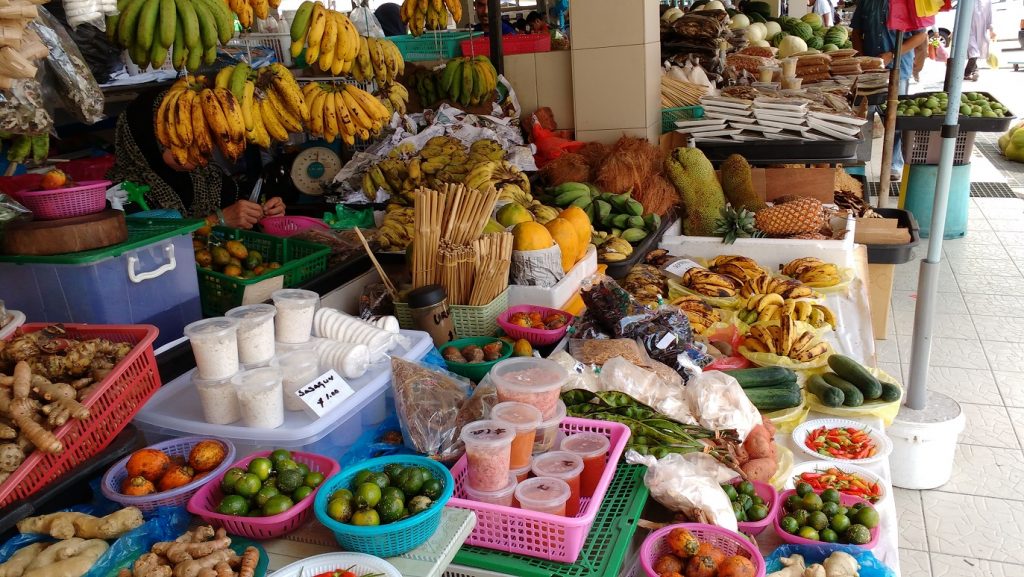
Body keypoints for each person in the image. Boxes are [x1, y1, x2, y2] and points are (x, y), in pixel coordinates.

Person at [107, 87, 285, 229]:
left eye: (196, 135)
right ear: (146, 140)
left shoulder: (208, 176)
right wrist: (216, 221)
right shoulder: (119, 196)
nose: (195, 147)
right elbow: (143, 251)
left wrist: (264, 211)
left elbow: (242, 205)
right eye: (179, 137)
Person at [851, 0, 926, 179]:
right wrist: (863, 59)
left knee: (895, 118)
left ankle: (894, 163)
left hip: (898, 69)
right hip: (870, 71)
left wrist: (892, 54)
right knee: (863, 116)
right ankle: (858, 162)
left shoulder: (910, 3)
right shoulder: (866, 2)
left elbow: (921, 36)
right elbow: (856, 32)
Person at [965, 0, 994, 81]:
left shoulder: (987, 2)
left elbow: (989, 16)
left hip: (981, 31)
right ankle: (967, 73)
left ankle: (974, 71)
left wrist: (991, 30)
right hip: (968, 31)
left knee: (975, 53)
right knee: (974, 53)